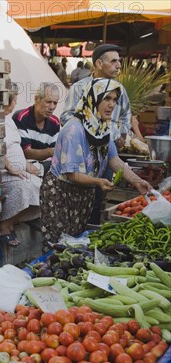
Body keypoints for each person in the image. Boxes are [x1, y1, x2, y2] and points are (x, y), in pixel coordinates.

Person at [40, 78, 152, 253]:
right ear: (93, 99)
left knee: (75, 245)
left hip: (83, 193)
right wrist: (99, 182)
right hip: (61, 194)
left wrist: (137, 181)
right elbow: (73, 174)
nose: (112, 104)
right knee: (57, 248)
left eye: (114, 100)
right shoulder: (74, 130)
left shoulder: (102, 127)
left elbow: (114, 160)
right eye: (106, 99)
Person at [60, 43, 131, 224]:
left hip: (107, 152)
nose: (118, 65)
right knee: (79, 194)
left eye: (119, 61)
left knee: (98, 195)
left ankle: (89, 231)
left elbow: (126, 115)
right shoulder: (79, 88)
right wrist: (90, 131)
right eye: (113, 61)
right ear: (99, 63)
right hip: (82, 154)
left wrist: (121, 134)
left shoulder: (119, 89)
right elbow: (66, 117)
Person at [0, 84, 42, 248]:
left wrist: (26, 165)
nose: (16, 103)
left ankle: (15, 220)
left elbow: (16, 146)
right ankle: (4, 226)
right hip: (3, 171)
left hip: (18, 170)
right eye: (15, 99)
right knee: (24, 186)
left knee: (41, 185)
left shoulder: (8, 120)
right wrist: (9, 166)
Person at [12, 82, 61, 176]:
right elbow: (26, 153)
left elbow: (54, 155)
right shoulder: (21, 118)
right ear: (36, 99)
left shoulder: (55, 122)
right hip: (24, 168)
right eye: (48, 102)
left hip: (43, 168)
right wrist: (50, 151)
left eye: (55, 103)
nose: (52, 107)